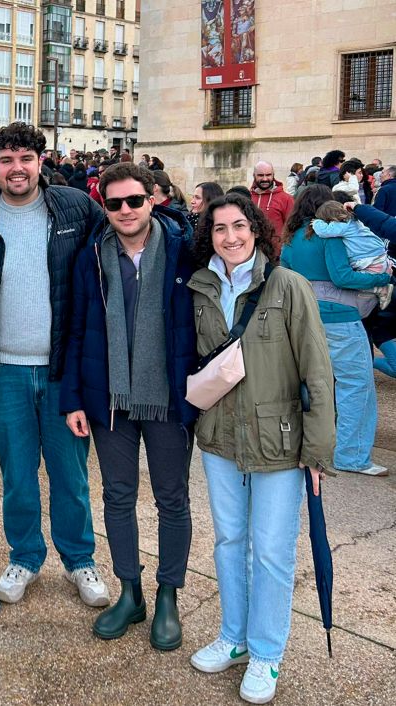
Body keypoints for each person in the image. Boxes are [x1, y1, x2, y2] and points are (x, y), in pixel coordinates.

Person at [187, 193, 335, 705]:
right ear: (209, 236)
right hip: (220, 437)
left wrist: (318, 450)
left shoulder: (287, 285)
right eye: (219, 228)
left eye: (239, 226)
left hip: (280, 440)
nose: (230, 237)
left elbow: (317, 370)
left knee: (271, 551)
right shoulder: (200, 286)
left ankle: (267, 653)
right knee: (229, 541)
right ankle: (234, 637)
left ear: (255, 229)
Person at [0, 122, 109, 608]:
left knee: (71, 475)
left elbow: (118, 247)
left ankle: (79, 558)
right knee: (18, 476)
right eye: (6, 160)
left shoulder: (75, 208)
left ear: (40, 161)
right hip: (3, 371)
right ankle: (24, 555)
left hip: (62, 370)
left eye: (25, 158)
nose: (17, 168)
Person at [61, 161, 198, 650]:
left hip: (168, 398)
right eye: (114, 202)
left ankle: (168, 596)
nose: (125, 210)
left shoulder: (184, 251)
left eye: (134, 200)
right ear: (104, 207)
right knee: (117, 497)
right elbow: (77, 328)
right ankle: (130, 592)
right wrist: (73, 399)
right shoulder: (92, 256)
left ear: (152, 199)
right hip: (110, 398)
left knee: (172, 498)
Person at [281, 185, 391, 476]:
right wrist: (382, 278)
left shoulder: (290, 238)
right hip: (341, 318)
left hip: (303, 317)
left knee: (314, 385)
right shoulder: (329, 234)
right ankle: (351, 456)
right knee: (355, 386)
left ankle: (308, 445)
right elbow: (342, 276)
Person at [311, 200, 392, 312]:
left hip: (370, 261)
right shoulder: (354, 221)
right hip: (378, 256)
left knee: (356, 283)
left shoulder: (343, 226)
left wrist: (316, 222)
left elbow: (325, 231)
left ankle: (381, 290)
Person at [249, 161, 294, 259]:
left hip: (276, 256)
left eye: (268, 175)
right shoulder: (247, 198)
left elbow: (292, 228)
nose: (265, 179)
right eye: (260, 175)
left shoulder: (286, 199)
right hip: (250, 254)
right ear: (254, 175)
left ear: (273, 175)